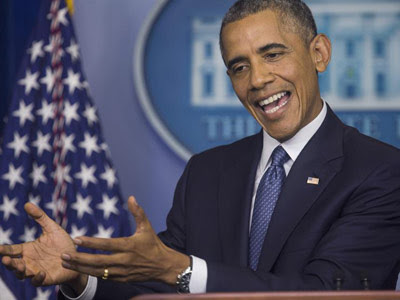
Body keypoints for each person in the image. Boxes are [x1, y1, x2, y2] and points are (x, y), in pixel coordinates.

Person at [1, 0, 400, 298]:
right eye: (239, 67)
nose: (258, 79)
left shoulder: (379, 170)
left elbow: (328, 292)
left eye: (273, 54)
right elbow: (159, 281)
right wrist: (78, 273)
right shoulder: (208, 171)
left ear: (319, 53)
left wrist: (184, 270)